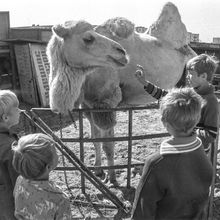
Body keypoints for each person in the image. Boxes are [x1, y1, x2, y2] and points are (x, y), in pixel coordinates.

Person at [131, 87, 213, 220]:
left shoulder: (156, 163)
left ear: (164, 122)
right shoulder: (201, 149)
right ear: (197, 119)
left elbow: (142, 209)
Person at [135, 54, 219, 154]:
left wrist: (185, 129)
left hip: (197, 152)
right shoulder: (189, 93)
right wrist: (144, 82)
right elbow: (165, 96)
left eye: (191, 73)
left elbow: (211, 134)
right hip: (182, 148)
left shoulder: (211, 102)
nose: (187, 76)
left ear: (203, 76)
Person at [12, 133, 72, 220]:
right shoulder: (60, 199)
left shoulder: (20, 181)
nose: (58, 154)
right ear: (48, 167)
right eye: (55, 152)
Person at [0, 89, 21, 220]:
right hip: (8, 205)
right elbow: (18, 181)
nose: (20, 111)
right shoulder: (10, 147)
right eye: (16, 108)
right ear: (5, 117)